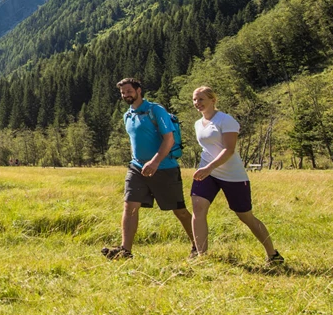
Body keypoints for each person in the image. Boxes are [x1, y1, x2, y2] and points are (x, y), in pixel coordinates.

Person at [102, 77, 195, 260]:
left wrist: (154, 162)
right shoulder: (127, 115)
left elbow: (169, 139)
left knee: (179, 210)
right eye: (122, 92)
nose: (125, 95)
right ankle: (125, 251)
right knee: (130, 206)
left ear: (138, 91)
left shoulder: (155, 110)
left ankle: (197, 246)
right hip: (137, 168)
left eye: (129, 91)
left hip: (164, 167)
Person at [190, 85, 284, 266]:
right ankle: (202, 257)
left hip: (232, 175)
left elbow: (229, 149)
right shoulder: (197, 124)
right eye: (194, 99)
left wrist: (209, 167)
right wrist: (207, 169)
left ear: (213, 100)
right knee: (198, 208)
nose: (197, 103)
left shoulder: (226, 120)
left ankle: (273, 255)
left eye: (201, 99)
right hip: (207, 172)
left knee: (245, 216)